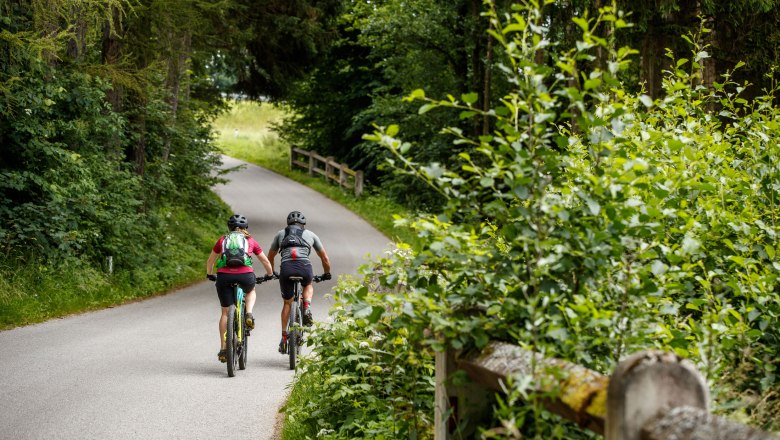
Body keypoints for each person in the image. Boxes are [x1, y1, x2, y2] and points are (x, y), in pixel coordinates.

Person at [206, 214, 274, 363]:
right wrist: (270, 274)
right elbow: (265, 260)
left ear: (229, 227)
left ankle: (224, 348)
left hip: (224, 277)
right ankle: (248, 313)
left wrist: (210, 274)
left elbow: (211, 260)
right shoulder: (250, 240)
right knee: (250, 291)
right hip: (245, 275)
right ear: (245, 228)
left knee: (225, 312)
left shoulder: (222, 240)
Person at [267, 210, 331, 353]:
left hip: (286, 269)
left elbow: (269, 257)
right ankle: (306, 305)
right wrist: (327, 273)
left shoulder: (280, 234)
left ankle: (284, 337)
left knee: (287, 303)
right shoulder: (311, 235)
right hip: (304, 267)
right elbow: (325, 258)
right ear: (304, 224)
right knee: (308, 284)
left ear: (288, 223)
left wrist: (271, 272)